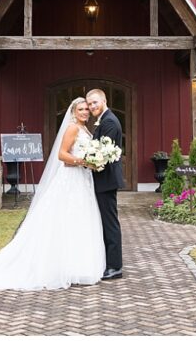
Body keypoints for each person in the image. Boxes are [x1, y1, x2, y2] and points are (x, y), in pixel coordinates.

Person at [0, 98, 105, 290]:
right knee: (66, 219)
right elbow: (62, 155)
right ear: (74, 112)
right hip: (71, 180)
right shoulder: (72, 128)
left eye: (86, 109)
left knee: (78, 220)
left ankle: (76, 265)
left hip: (82, 179)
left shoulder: (84, 129)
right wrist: (83, 162)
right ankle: (62, 266)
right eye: (80, 109)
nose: (84, 112)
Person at [86, 88, 124, 280]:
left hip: (106, 180)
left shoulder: (109, 121)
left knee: (110, 224)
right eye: (89, 103)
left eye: (95, 102)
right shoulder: (104, 119)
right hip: (103, 179)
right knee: (106, 222)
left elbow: (102, 154)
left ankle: (115, 266)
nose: (92, 106)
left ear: (104, 100)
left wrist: (84, 159)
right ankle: (108, 262)